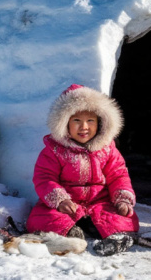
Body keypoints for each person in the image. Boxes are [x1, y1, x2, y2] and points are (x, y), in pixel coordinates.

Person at [25, 84, 140, 256]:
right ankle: (71, 233)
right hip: (68, 205)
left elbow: (118, 176)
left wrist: (122, 200)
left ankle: (118, 238)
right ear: (64, 123)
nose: (84, 127)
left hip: (100, 203)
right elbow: (45, 177)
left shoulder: (108, 149)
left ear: (100, 123)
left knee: (123, 218)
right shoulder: (54, 151)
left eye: (90, 121)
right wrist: (60, 200)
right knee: (41, 218)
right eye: (76, 121)